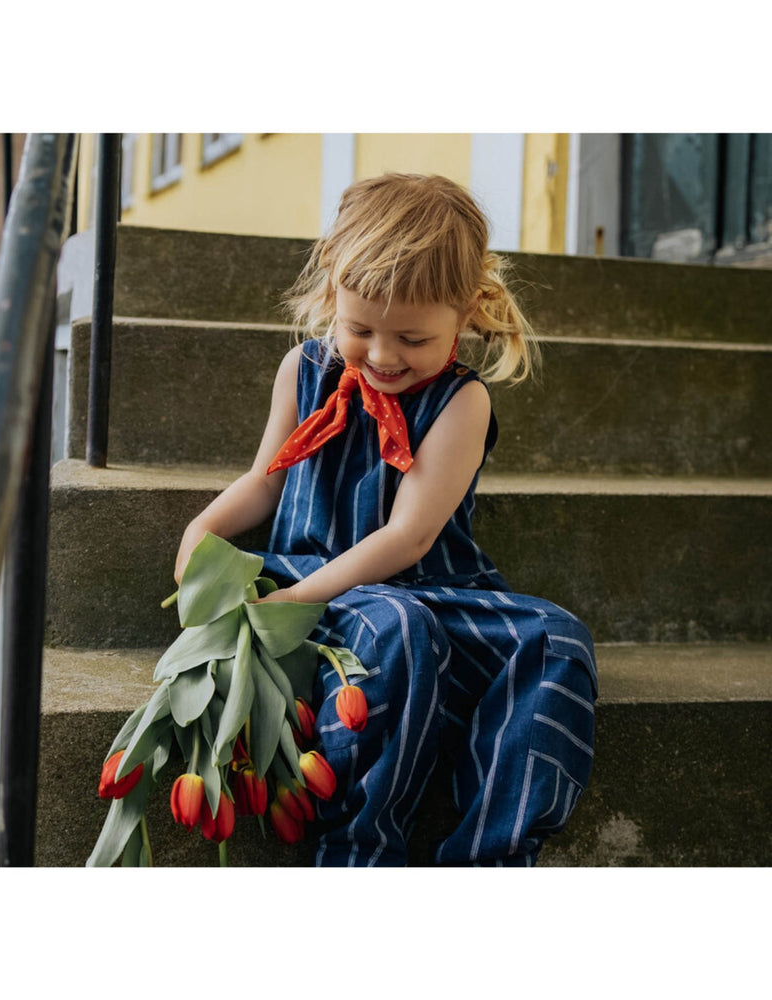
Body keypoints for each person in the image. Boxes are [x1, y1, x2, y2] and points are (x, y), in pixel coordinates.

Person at [174, 173, 597, 867]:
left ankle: (489, 858)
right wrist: (202, 533)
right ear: (331, 294)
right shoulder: (304, 369)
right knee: (397, 628)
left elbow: (410, 536)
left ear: (466, 313)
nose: (382, 355)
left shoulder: (461, 402)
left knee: (556, 640)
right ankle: (358, 852)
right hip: (322, 584)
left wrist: (295, 603)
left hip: (432, 587)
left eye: (412, 337)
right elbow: (265, 480)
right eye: (360, 330)